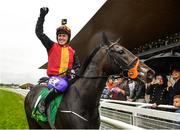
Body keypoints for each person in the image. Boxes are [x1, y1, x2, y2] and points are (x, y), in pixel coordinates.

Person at [35, 7, 80, 113]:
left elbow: (77, 66)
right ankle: (44, 103)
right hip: (54, 79)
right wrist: (42, 16)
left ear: (68, 38)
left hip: (67, 79)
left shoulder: (72, 51)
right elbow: (39, 33)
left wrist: (74, 71)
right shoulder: (51, 46)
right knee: (63, 85)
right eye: (59, 36)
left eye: (64, 36)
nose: (61, 38)